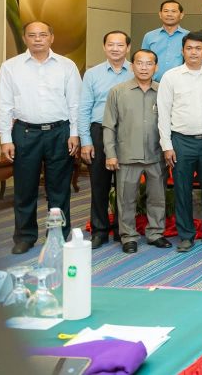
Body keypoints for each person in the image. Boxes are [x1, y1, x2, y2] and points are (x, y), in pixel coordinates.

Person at [0, 22, 81, 254]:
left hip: (60, 132)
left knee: (59, 189)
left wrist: (74, 133)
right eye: (32, 35)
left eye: (43, 35)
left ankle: (58, 235)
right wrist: (5, 138)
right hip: (25, 133)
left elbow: (75, 103)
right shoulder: (11, 67)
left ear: (51, 38)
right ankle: (25, 236)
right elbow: (3, 104)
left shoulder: (67, 66)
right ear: (25, 38)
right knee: (25, 188)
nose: (37, 39)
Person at [158, 32, 202, 252]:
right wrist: (167, 145)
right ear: (182, 51)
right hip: (181, 141)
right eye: (189, 48)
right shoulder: (171, 76)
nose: (193, 52)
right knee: (182, 190)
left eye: (198, 48)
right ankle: (186, 235)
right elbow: (163, 113)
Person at [102, 49, 167, 253]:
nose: (144, 68)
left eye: (149, 63)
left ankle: (156, 233)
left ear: (156, 67)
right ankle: (128, 236)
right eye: (140, 63)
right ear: (132, 66)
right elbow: (109, 125)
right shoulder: (117, 91)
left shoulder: (163, 91)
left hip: (156, 154)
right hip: (127, 155)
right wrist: (111, 154)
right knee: (126, 199)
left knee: (157, 198)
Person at [78, 31, 131, 249]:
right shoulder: (92, 74)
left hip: (127, 134)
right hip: (99, 132)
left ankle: (122, 230)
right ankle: (99, 230)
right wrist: (86, 141)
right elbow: (84, 109)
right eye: (111, 44)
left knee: (125, 185)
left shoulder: (136, 71)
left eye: (120, 45)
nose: (115, 49)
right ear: (104, 47)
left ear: (128, 48)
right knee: (99, 184)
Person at [141, 0, 188, 80]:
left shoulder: (189, 36)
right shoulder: (149, 36)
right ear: (160, 14)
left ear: (181, 15)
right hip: (153, 83)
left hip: (180, 83)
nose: (169, 14)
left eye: (173, 11)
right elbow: (143, 60)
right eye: (166, 11)